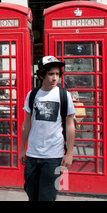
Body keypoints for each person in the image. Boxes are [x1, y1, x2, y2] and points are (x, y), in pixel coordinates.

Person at [20, 56, 76, 201]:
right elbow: (26, 123)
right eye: (51, 74)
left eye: (57, 74)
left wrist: (69, 153)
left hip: (54, 156)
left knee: (47, 196)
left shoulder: (64, 95)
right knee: (31, 193)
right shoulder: (32, 95)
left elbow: (70, 124)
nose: (55, 78)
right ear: (41, 75)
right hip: (32, 154)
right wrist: (21, 149)